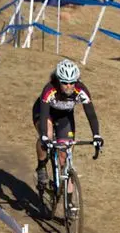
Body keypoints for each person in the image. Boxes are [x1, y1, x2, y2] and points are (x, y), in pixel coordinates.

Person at [32, 59, 103, 200]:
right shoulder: (49, 89)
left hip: (64, 117)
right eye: (64, 82)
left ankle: (69, 204)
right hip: (45, 113)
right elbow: (45, 113)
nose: (68, 86)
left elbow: (91, 114)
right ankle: (41, 166)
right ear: (58, 81)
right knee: (48, 134)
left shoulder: (81, 90)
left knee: (65, 157)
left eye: (72, 82)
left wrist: (96, 136)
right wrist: (45, 137)